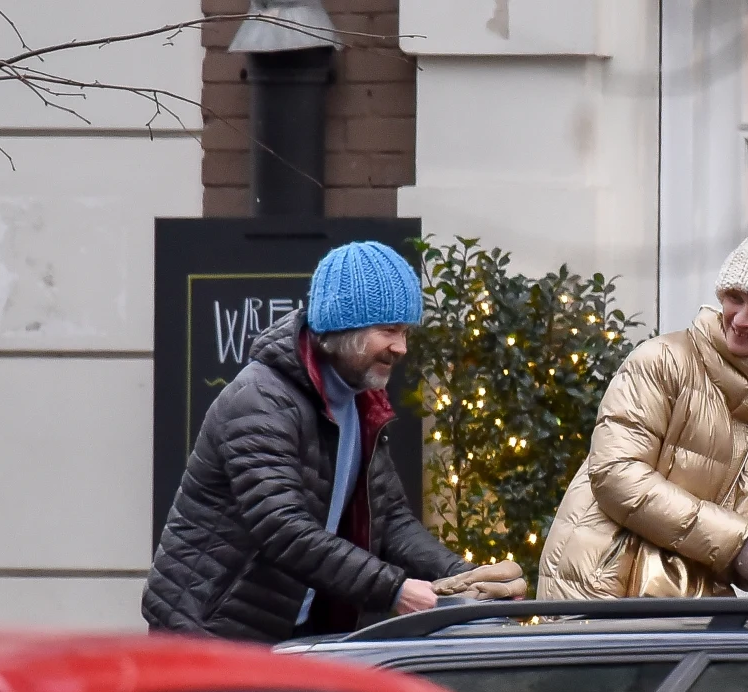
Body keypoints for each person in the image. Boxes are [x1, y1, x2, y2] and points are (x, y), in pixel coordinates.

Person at [143, 240, 523, 642]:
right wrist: (394, 590)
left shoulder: (360, 403)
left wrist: (462, 579)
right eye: (389, 330)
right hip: (207, 636)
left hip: (287, 635)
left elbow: (390, 520)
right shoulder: (261, 398)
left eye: (406, 331)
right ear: (341, 326)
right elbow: (281, 526)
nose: (401, 347)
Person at [538, 224, 748, 599]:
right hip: (601, 591)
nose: (740, 319)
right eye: (734, 298)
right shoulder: (662, 361)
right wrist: (740, 542)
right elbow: (615, 474)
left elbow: (729, 545)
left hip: (690, 610)